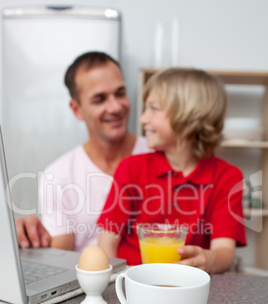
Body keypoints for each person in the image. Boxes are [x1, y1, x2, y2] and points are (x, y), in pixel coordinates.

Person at [97, 67, 247, 274]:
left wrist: (209, 260)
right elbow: (107, 243)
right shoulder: (131, 168)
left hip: (186, 282)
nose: (143, 119)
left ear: (188, 117)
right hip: (132, 280)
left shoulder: (227, 177)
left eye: (153, 109)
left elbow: (224, 252)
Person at [15, 51, 149, 251]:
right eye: (99, 99)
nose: (115, 107)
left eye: (120, 93)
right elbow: (61, 254)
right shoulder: (58, 175)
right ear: (77, 109)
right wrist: (33, 238)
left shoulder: (163, 155)